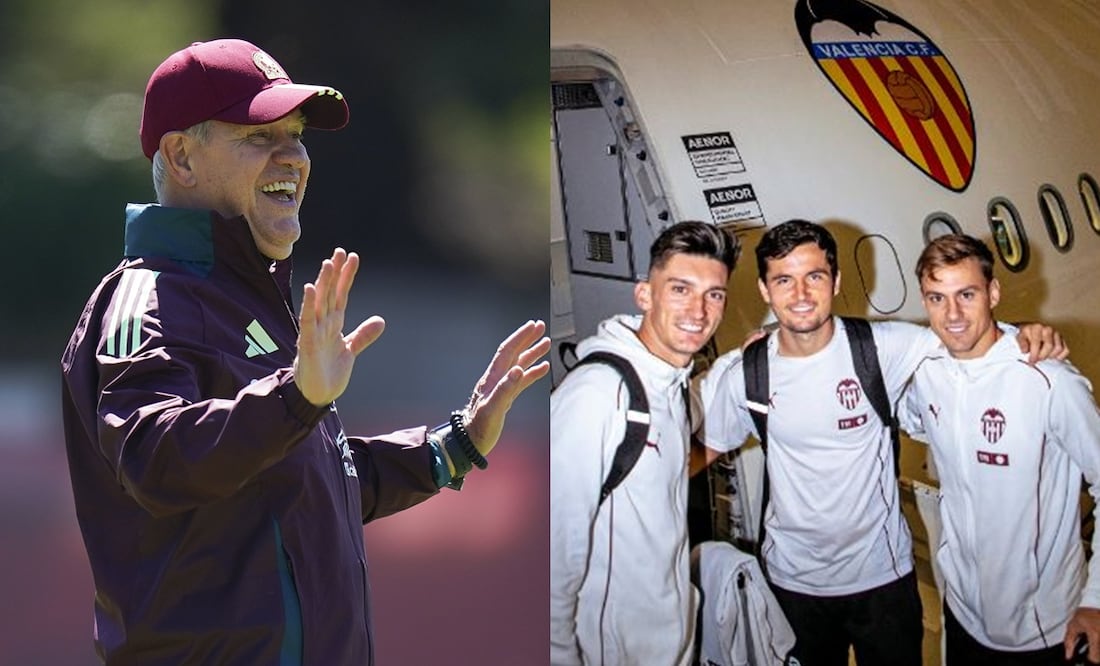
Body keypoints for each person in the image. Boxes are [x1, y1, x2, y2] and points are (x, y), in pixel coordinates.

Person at [59, 38, 549, 665]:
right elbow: (158, 459)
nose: (292, 155)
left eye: (295, 134)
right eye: (259, 136)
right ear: (181, 156)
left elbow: (305, 482)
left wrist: (453, 446)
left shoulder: (244, 295)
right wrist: (298, 398)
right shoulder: (148, 297)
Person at [699, 219, 1066, 666]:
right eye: (783, 280)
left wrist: (1026, 329)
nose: (799, 295)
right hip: (793, 583)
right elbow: (710, 447)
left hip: (883, 578)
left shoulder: (883, 347)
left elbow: (965, 331)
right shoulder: (746, 373)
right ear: (764, 290)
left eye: (814, 276)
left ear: (835, 281)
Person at [898, 234, 1100, 665]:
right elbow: (908, 415)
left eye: (966, 295)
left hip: (1043, 626)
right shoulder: (927, 371)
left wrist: (1096, 600)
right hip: (963, 611)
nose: (952, 314)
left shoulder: (1050, 382)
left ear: (993, 293)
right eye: (937, 298)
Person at [549, 220, 740, 665]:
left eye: (714, 295)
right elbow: (549, 560)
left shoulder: (669, 384)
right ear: (644, 295)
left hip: (669, 643)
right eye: (680, 289)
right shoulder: (598, 396)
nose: (699, 310)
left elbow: (667, 462)